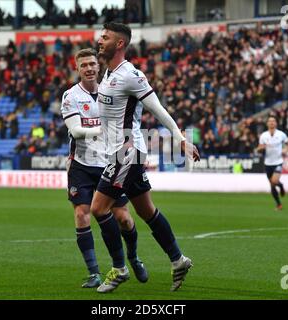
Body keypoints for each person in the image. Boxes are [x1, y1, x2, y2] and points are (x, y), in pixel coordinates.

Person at [92, 22, 200, 293]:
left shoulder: (131, 75)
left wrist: (182, 139)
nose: (99, 40)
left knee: (98, 208)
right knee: (145, 210)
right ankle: (178, 260)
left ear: (119, 44)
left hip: (126, 153)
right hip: (119, 153)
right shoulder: (107, 73)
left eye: (105, 37)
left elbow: (158, 109)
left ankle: (119, 269)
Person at [61, 48, 148, 288]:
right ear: (77, 69)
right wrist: (104, 130)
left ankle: (133, 257)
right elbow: (77, 131)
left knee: (124, 218)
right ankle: (94, 272)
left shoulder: (113, 91)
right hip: (82, 164)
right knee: (81, 214)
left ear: (98, 67)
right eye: (83, 65)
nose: (89, 68)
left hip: (112, 162)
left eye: (92, 64)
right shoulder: (71, 96)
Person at [256, 116, 288, 211]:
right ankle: (279, 204)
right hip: (268, 163)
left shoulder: (281, 134)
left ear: (276, 123)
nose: (272, 123)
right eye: (270, 121)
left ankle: (281, 186)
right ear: (267, 124)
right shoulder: (263, 136)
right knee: (272, 185)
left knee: (275, 181)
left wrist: (285, 150)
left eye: (273, 121)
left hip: (278, 162)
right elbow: (258, 148)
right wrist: (261, 148)